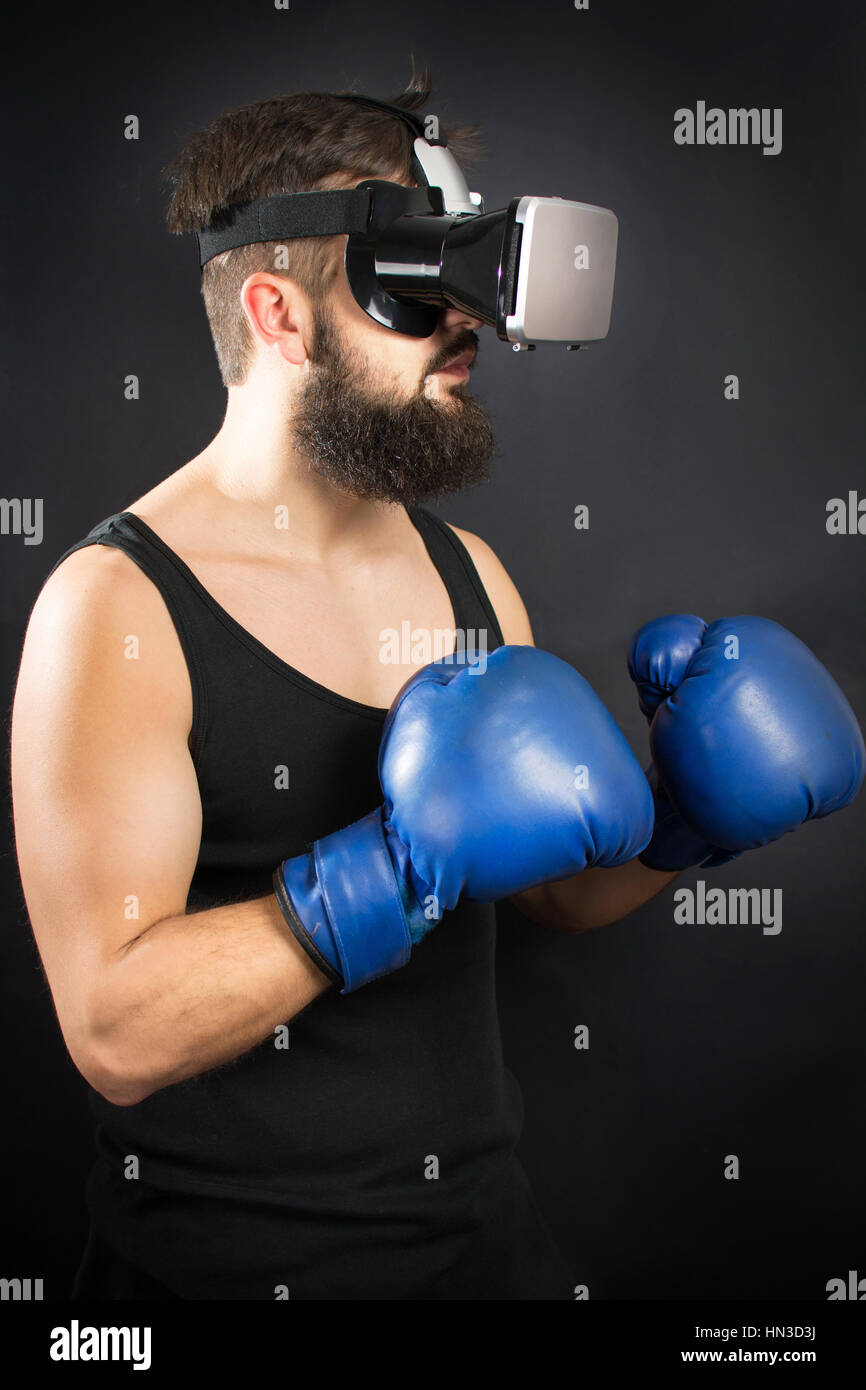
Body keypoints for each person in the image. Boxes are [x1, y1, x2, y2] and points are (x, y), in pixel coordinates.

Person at [10, 71, 863, 1301]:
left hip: (483, 1255)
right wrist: (394, 870)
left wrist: (682, 825)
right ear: (278, 314)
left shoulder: (467, 574)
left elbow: (550, 894)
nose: (466, 325)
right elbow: (114, 1032)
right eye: (417, 288)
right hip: (214, 1281)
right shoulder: (119, 606)